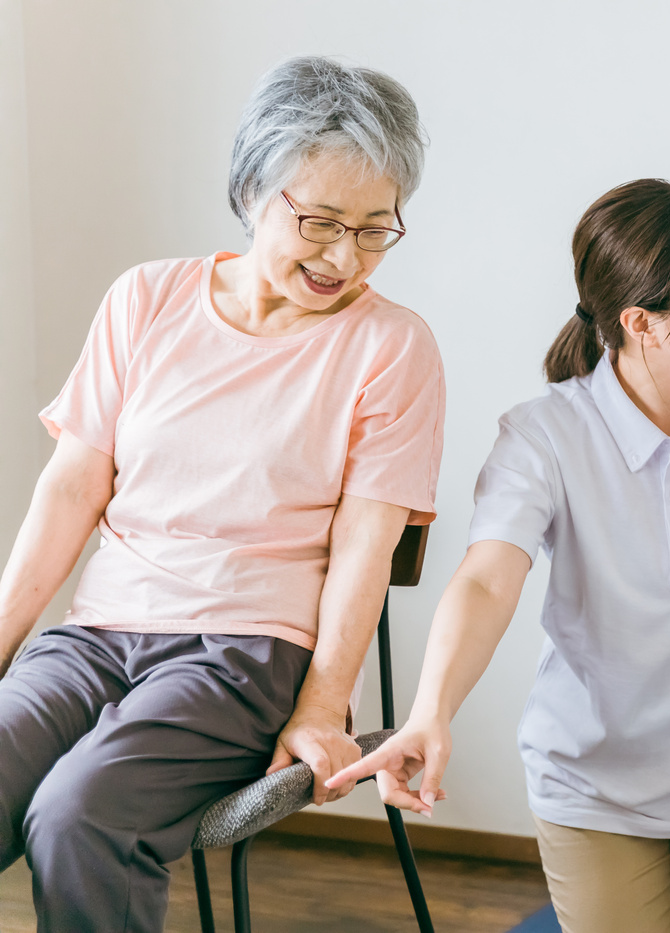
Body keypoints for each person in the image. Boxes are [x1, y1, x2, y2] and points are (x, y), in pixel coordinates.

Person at [0, 57, 443, 931]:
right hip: (94, 636)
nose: (343, 256)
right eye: (319, 221)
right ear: (252, 189)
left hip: (244, 656)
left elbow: (365, 544)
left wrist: (323, 710)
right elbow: (72, 487)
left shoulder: (392, 346)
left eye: (373, 229)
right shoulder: (146, 298)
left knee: (78, 814)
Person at [330, 178, 670, 933]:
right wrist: (430, 712)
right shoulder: (543, 435)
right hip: (592, 783)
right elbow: (486, 581)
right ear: (643, 322)